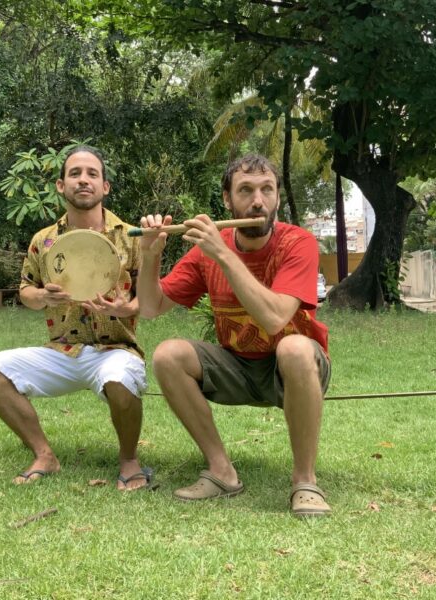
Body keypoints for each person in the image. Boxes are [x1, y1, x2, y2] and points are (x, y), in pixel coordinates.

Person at [136, 153, 331, 517]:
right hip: (237, 366)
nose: (258, 201)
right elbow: (150, 307)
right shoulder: (209, 250)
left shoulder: (297, 242)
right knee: (167, 355)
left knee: (292, 347)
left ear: (276, 197)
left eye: (267, 190)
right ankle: (221, 471)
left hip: (292, 369)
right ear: (227, 199)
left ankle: (305, 481)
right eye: (246, 190)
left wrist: (223, 254)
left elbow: (274, 319)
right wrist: (150, 254)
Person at [0, 146, 152, 491]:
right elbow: (26, 290)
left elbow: (146, 302)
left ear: (105, 187)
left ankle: (130, 461)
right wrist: (43, 296)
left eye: (92, 174)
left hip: (115, 349)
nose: (83, 180)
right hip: (62, 351)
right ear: (61, 186)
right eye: (75, 174)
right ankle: (44, 455)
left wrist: (125, 308)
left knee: (120, 376)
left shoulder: (133, 238)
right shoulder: (43, 241)